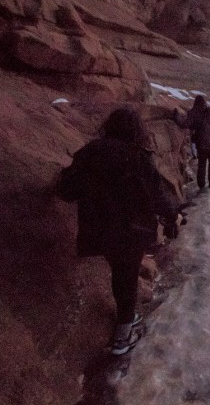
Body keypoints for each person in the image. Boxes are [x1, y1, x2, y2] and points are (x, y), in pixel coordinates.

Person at [56, 107, 179, 355]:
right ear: (137, 129)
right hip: (131, 231)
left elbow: (67, 190)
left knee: (120, 273)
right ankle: (123, 335)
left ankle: (126, 316)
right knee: (126, 277)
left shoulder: (90, 152)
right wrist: (172, 216)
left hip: (98, 229)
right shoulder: (138, 157)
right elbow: (156, 195)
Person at [173, 95, 208, 160]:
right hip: (208, 142)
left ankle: (195, 156)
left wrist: (176, 116)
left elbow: (184, 124)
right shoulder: (208, 113)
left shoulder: (193, 113)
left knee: (199, 162)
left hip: (196, 138)